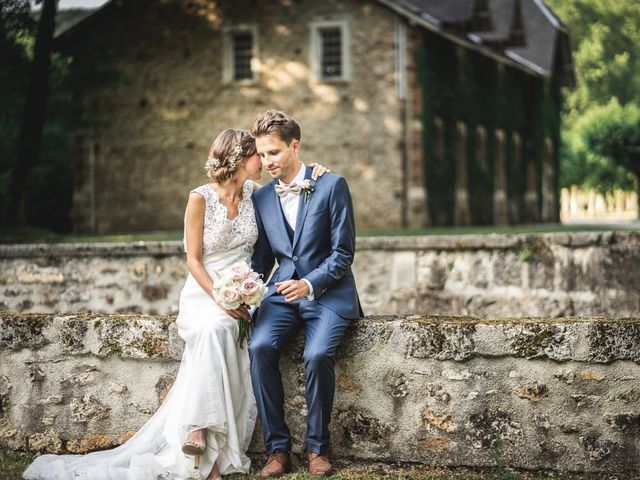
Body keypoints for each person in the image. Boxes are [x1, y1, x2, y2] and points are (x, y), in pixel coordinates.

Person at [23, 128, 328, 480]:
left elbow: (294, 190)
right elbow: (194, 260)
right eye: (260, 155)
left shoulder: (258, 195)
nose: (266, 160)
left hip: (243, 289)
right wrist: (220, 295)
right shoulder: (199, 198)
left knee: (223, 331)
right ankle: (198, 430)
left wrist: (315, 171)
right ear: (242, 159)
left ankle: (204, 444)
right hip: (204, 290)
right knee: (213, 328)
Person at [249, 110, 362, 478]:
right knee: (259, 347)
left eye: (274, 153)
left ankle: (317, 449)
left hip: (328, 294)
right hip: (281, 295)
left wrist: (310, 284)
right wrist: (243, 293)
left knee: (316, 354)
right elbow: (263, 259)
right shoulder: (263, 197)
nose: (267, 162)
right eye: (262, 155)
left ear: (294, 146)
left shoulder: (331, 185)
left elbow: (343, 253)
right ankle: (277, 451)